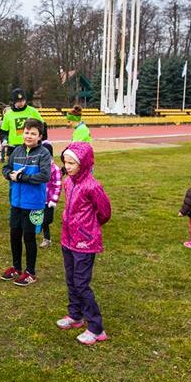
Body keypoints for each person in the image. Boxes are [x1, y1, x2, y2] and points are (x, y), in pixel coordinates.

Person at [55, 141, 112, 345]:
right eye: (66, 162)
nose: (68, 166)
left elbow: (105, 212)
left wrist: (88, 228)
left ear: (84, 163)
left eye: (72, 163)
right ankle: (75, 315)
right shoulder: (68, 182)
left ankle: (96, 328)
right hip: (67, 239)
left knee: (81, 283)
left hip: (85, 243)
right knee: (71, 279)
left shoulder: (93, 186)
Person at [0, 118, 52, 286]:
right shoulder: (17, 151)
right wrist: (9, 174)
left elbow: (45, 175)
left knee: (28, 237)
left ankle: (30, 272)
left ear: (40, 136)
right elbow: (6, 168)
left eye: (33, 133)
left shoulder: (43, 153)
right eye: (27, 132)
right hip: (16, 202)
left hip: (33, 204)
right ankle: (16, 267)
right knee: (14, 234)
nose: (29, 136)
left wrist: (22, 177)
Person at [0, 88, 46, 158]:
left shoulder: (33, 111)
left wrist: (42, 140)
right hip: (13, 147)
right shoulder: (8, 114)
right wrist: (4, 140)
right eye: (18, 101)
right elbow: (3, 131)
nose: (21, 103)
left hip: (31, 145)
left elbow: (43, 126)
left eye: (23, 100)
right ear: (14, 101)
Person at [39, 141, 62, 248]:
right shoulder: (38, 167)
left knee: (46, 220)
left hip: (48, 201)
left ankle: (47, 239)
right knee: (37, 218)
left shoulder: (55, 169)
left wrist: (54, 200)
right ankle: (42, 235)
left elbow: (57, 186)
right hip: (38, 199)